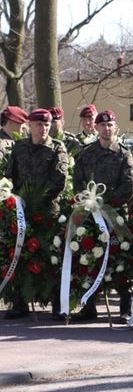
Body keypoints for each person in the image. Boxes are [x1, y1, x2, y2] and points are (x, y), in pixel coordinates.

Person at [72, 110, 133, 323]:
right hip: (90, 214)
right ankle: (88, 306)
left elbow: (129, 186)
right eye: (103, 125)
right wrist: (89, 201)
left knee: (121, 259)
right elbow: (78, 181)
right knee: (88, 257)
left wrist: (107, 204)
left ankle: (125, 308)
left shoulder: (123, 154)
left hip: (116, 215)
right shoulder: (86, 153)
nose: (107, 129)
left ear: (115, 127)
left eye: (110, 125)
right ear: (96, 128)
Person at [4, 108, 68, 319]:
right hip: (23, 210)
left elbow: (59, 181)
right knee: (20, 254)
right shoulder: (20, 147)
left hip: (48, 210)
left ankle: (58, 303)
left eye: (47, 125)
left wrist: (38, 200)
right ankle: (20, 302)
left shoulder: (57, 148)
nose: (44, 129)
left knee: (52, 256)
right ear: (30, 125)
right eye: (39, 125)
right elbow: (10, 176)